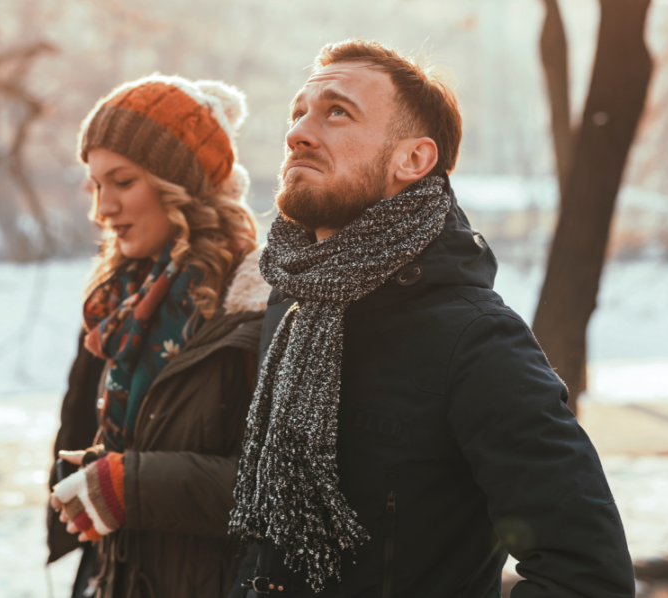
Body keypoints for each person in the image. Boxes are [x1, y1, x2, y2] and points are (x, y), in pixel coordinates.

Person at [228, 39, 634, 598]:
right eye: (298, 113)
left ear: (413, 160)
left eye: (337, 112)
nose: (297, 132)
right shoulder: (290, 307)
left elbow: (587, 573)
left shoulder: (475, 339)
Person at [46, 74, 271, 598]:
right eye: (96, 186)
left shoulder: (256, 305)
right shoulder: (118, 303)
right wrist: (106, 472)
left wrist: (131, 482)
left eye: (123, 182)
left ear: (182, 185)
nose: (103, 209)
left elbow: (277, 490)